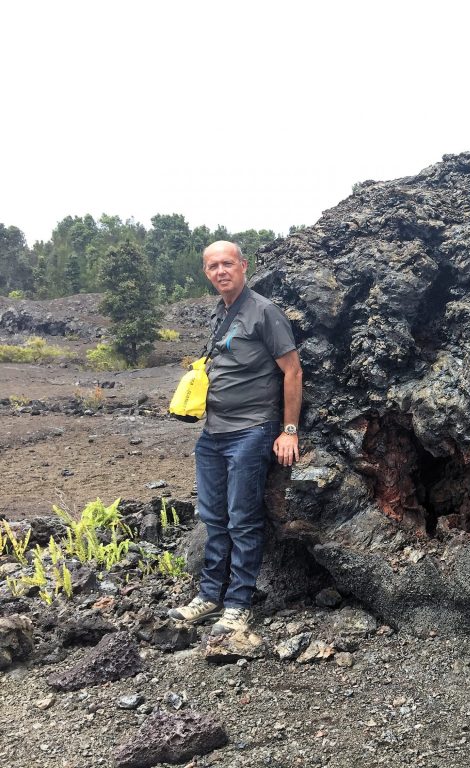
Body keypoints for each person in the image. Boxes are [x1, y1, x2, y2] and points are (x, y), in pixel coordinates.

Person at [168, 241, 302, 635]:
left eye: (228, 263)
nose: (221, 270)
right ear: (207, 273)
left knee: (243, 519)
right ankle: (209, 597)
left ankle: (238, 603)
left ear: (244, 266)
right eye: (213, 266)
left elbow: (292, 372)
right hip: (213, 433)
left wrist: (288, 430)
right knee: (214, 518)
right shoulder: (221, 312)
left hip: (251, 430)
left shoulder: (265, 311)